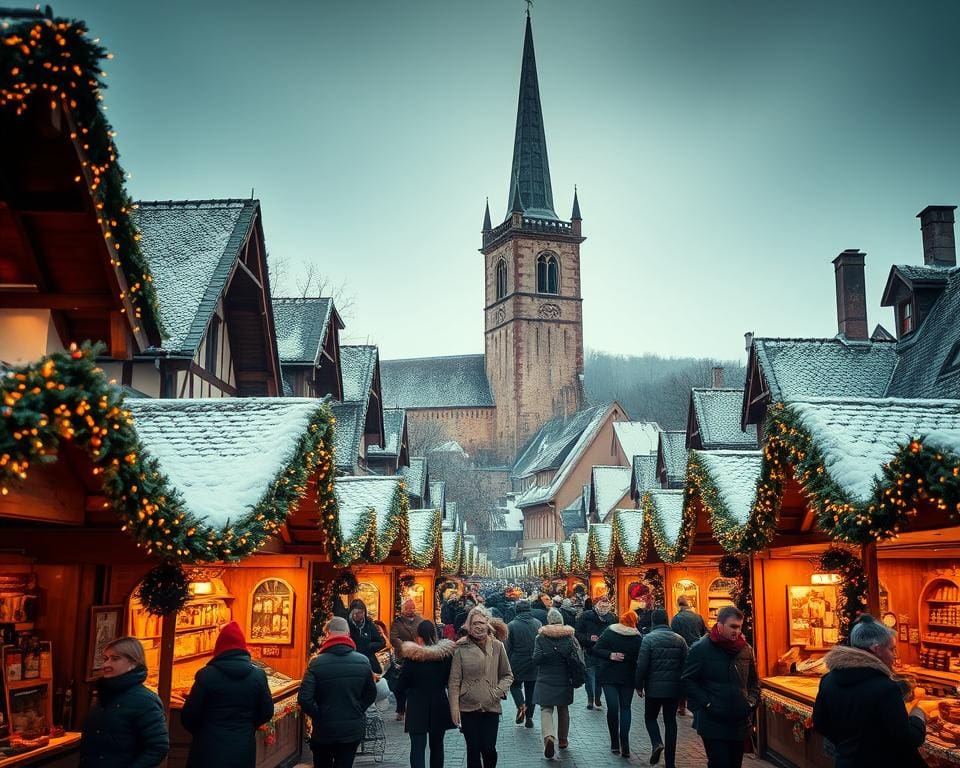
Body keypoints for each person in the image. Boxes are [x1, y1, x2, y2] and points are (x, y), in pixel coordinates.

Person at [812, 614, 926, 767]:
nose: (894, 656)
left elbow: (820, 723)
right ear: (876, 649)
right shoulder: (885, 688)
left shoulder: (828, 680)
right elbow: (907, 739)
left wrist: (846, 745)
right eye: (892, 649)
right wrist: (919, 714)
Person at [181, 621, 273, 768]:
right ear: (243, 648)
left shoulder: (206, 675)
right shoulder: (258, 675)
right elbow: (267, 711)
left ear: (219, 647)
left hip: (208, 748)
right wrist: (249, 726)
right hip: (243, 747)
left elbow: (188, 716)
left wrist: (204, 731)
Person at [682, 606, 759, 768]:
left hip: (738, 721)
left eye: (739, 627)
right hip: (712, 721)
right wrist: (707, 703)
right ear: (720, 625)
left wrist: (750, 703)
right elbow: (688, 680)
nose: (737, 631)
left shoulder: (745, 649)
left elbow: (753, 682)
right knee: (719, 763)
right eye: (733, 626)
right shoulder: (701, 648)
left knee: (735, 764)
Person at [299, 616, 378, 768]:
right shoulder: (362, 661)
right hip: (352, 729)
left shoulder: (316, 663)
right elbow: (371, 693)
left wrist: (319, 715)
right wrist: (358, 709)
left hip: (324, 730)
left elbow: (304, 698)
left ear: (328, 634)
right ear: (348, 634)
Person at [80, 636, 169, 768]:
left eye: (115, 659)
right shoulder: (103, 695)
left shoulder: (145, 701)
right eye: (105, 659)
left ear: (133, 663)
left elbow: (158, 747)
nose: (106, 665)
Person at [448, 607, 513, 768]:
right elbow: (454, 681)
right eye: (475, 623)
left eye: (482, 623)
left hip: (491, 707)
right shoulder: (460, 648)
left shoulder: (497, 646)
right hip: (468, 707)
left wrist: (496, 693)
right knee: (473, 749)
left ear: (487, 624)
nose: (479, 626)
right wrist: (454, 708)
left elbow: (507, 675)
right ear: (469, 625)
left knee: (489, 749)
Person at [396, 619, 456, 768]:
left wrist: (401, 707)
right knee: (437, 746)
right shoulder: (445, 656)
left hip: (417, 706)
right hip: (439, 703)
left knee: (417, 747)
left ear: (419, 637)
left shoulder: (412, 658)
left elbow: (400, 686)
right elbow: (450, 680)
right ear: (435, 635)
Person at [635, 609, 688, 768]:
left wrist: (639, 685)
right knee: (670, 722)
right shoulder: (679, 640)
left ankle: (657, 742)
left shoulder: (648, 639)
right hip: (673, 689)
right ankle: (670, 762)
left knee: (650, 717)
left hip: (654, 688)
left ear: (653, 622)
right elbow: (686, 664)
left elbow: (642, 665)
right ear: (667, 620)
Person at [533, 608, 585, 759]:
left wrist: (547, 655)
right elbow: (578, 659)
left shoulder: (540, 637)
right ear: (561, 621)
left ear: (549, 621)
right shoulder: (570, 638)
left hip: (545, 677)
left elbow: (536, 659)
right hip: (565, 678)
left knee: (546, 709)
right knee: (563, 708)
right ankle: (563, 740)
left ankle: (549, 736)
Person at [592, 610, 642, 757]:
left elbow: (596, 649)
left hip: (609, 675)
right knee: (626, 708)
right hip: (628, 676)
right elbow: (639, 659)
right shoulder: (637, 637)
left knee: (613, 708)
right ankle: (625, 743)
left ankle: (615, 742)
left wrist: (610, 655)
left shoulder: (610, 632)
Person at [576, 594, 616, 710]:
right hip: (590, 651)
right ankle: (591, 698)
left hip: (604, 653)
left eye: (606, 606)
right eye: (602, 605)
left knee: (599, 676)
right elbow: (577, 632)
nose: (604, 608)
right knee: (589, 676)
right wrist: (589, 638)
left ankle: (597, 697)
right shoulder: (586, 616)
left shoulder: (612, 618)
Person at [505, 598, 541, 727]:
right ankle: (529, 718)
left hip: (517, 661)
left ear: (517, 610)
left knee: (514, 685)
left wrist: (507, 663)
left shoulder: (511, 625)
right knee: (531, 690)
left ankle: (521, 705)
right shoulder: (538, 623)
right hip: (534, 661)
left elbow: (508, 647)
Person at [669, 596, 706, 716]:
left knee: (682, 678)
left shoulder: (676, 618)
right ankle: (696, 705)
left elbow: (673, 636)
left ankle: (681, 706)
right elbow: (704, 634)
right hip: (697, 651)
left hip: (682, 651)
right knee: (696, 678)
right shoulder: (698, 617)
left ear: (678, 605)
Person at [390, 598, 425, 721]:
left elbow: (425, 635)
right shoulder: (397, 622)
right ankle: (400, 710)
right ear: (403, 609)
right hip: (403, 657)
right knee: (400, 685)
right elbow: (394, 638)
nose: (410, 610)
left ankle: (415, 708)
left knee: (415, 684)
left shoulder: (420, 620)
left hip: (418, 656)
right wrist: (405, 647)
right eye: (408, 608)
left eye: (412, 607)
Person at [347, 599, 385, 673]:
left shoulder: (369, 625)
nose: (356, 615)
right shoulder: (346, 625)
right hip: (351, 660)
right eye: (354, 613)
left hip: (368, 660)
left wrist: (369, 646)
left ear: (364, 612)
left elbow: (381, 642)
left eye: (360, 612)